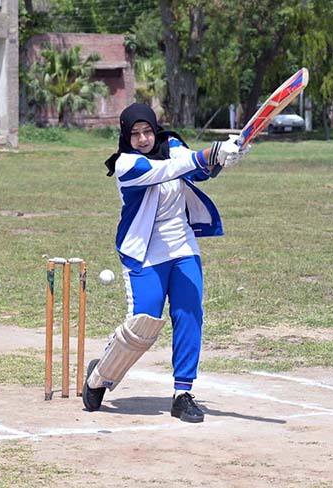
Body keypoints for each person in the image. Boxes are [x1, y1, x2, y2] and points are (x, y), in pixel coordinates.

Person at [82, 103, 248, 423]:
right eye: (135, 134)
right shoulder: (126, 164)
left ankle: (182, 394)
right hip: (144, 249)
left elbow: (198, 170)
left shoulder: (172, 145)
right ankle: (99, 376)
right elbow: (168, 170)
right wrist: (210, 152)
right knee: (142, 325)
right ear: (125, 136)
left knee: (189, 313)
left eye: (147, 131)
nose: (143, 139)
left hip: (182, 244)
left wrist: (226, 157)